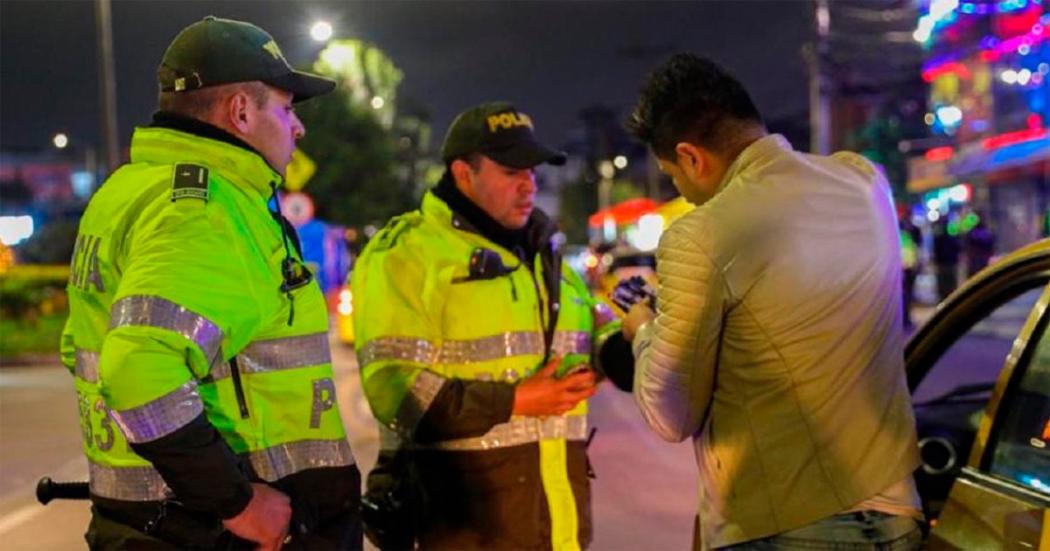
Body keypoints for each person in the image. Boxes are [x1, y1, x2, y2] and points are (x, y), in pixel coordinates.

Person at [60, 16, 361, 550]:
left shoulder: (128, 190)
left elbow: (81, 347)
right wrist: (238, 504)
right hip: (217, 531)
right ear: (241, 112)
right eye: (287, 108)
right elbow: (136, 365)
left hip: (145, 522)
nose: (298, 128)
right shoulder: (207, 210)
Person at [621, 53, 922, 550]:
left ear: (692, 157)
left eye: (673, 174)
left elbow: (670, 414)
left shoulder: (701, 234)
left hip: (786, 526)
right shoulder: (865, 182)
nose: (683, 191)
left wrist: (643, 329)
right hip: (896, 511)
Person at [352, 102, 630, 550]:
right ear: (464, 173)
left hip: (557, 527)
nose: (529, 186)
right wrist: (519, 399)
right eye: (511, 171)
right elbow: (396, 391)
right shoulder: (406, 255)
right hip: (463, 531)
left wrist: (628, 346)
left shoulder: (543, 253)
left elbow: (591, 331)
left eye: (533, 173)